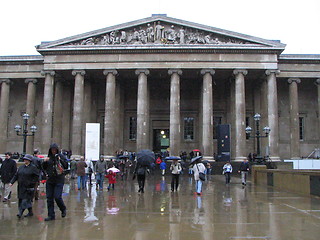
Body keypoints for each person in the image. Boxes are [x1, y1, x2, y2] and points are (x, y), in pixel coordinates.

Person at [42, 143, 68, 221]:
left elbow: (66, 166)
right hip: (50, 179)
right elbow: (44, 168)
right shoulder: (48, 158)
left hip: (59, 179)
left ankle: (63, 208)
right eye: (52, 150)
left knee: (57, 197)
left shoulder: (61, 156)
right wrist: (44, 162)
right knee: (49, 198)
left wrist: (60, 160)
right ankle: (51, 215)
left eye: (55, 150)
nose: (53, 151)